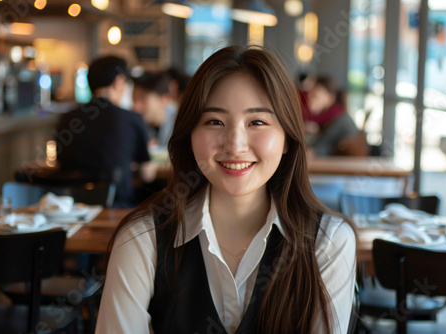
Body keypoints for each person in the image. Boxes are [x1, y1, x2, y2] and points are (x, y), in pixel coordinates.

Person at [96, 46, 356, 333]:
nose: (235, 145)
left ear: (287, 139)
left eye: (257, 122)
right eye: (214, 122)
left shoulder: (329, 242)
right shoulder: (142, 239)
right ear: (190, 136)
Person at [55, 55, 151, 207]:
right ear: (119, 81)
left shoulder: (67, 118)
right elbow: (147, 174)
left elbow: (60, 162)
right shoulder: (131, 119)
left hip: (69, 208)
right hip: (116, 208)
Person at [300, 77, 364, 156]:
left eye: (315, 96)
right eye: (310, 94)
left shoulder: (340, 120)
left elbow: (319, 150)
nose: (309, 99)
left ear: (330, 98)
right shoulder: (331, 117)